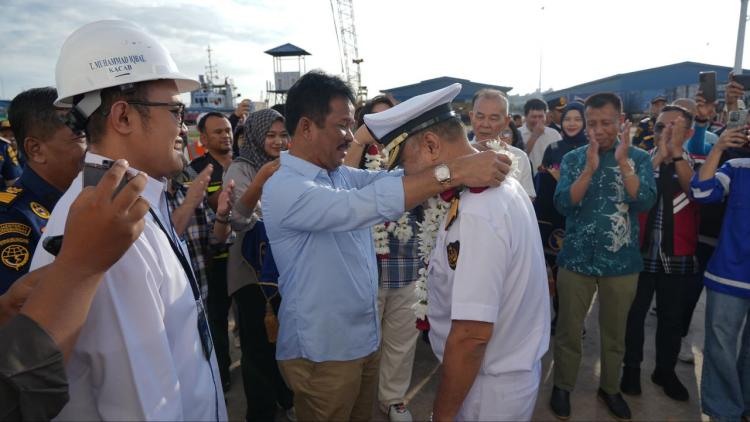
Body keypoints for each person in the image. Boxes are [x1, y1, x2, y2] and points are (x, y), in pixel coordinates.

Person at [262, 73, 510, 422]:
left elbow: (395, 179)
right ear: (306, 127)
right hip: (323, 353)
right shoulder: (286, 188)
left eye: (352, 126)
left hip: (363, 342)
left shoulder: (338, 175)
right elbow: (362, 206)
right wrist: (456, 171)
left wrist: (462, 157)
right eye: (342, 126)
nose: (351, 137)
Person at [29, 20, 227, 420]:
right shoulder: (106, 226)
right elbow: (144, 407)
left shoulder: (127, 202)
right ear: (122, 117)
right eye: (175, 111)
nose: (183, 127)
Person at [368, 83, 550, 421]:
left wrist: (442, 414)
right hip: (492, 378)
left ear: (431, 145)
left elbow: (471, 337)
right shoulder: (495, 184)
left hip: (487, 390)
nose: (408, 176)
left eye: (406, 163)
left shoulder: (478, 210)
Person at [0, 160, 148, 421]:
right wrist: (79, 268)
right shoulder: (13, 210)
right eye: (76, 140)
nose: (83, 151)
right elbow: (16, 397)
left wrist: (5, 310)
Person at [550, 92, 656, 421]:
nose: (598, 130)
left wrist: (623, 163)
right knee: (568, 329)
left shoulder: (638, 158)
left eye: (606, 123)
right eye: (592, 123)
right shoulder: (573, 158)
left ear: (621, 122)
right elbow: (563, 204)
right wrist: (588, 170)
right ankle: (562, 386)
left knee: (615, 332)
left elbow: (645, 201)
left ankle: (610, 388)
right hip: (576, 259)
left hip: (621, 262)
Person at [620, 105, 698, 402]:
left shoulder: (696, 161)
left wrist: (675, 155)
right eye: (660, 127)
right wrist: (657, 158)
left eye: (673, 127)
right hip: (640, 251)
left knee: (671, 318)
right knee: (634, 314)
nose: (665, 132)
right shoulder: (640, 159)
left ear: (688, 133)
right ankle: (631, 368)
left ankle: (665, 371)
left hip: (677, 252)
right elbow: (632, 192)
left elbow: (696, 192)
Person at [223, 108, 294, 421]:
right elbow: (241, 219)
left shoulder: (291, 166)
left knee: (285, 342)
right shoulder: (241, 168)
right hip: (252, 272)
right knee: (256, 347)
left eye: (283, 134)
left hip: (285, 269)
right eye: (271, 135)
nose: (278, 141)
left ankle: (286, 398)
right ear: (254, 136)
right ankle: (261, 412)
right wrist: (264, 180)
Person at [690, 124, 750, 422]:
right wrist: (718, 148)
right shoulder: (737, 166)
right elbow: (701, 192)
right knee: (721, 345)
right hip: (729, 273)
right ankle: (725, 411)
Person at [0, 87, 86, 291]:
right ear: (36, 150)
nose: (95, 148)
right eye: (82, 137)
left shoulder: (81, 199)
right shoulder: (12, 217)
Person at [534, 102, 588, 334]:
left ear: (585, 122)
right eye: (567, 119)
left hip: (581, 218)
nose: (571, 123)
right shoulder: (554, 148)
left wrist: (561, 179)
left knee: (578, 275)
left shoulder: (592, 149)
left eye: (577, 119)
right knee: (556, 271)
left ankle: (576, 321)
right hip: (554, 219)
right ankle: (559, 316)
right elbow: (543, 186)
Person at [190, 111, 234, 389]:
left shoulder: (245, 163)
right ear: (203, 139)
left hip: (245, 258)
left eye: (227, 130)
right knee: (216, 321)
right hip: (214, 261)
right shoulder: (195, 170)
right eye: (218, 132)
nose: (225, 136)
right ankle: (223, 378)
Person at [469, 89, 536, 199]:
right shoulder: (459, 153)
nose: (485, 124)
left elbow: (527, 200)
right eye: (480, 117)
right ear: (471, 117)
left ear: (506, 121)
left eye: (493, 118)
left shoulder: (519, 157)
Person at [519, 98, 562, 175]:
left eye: (541, 116)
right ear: (525, 116)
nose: (537, 120)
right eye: (534, 117)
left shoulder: (554, 134)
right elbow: (518, 158)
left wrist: (554, 169)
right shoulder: (518, 133)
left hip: (549, 177)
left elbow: (559, 156)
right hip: (527, 177)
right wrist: (534, 136)